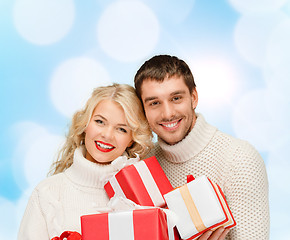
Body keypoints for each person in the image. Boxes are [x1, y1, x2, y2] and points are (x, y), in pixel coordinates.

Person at [134, 55, 269, 240]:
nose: (168, 113)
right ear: (143, 110)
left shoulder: (239, 159)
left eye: (176, 98)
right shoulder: (142, 164)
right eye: (155, 103)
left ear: (194, 98)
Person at [18, 83, 153, 240]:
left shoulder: (141, 197)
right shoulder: (47, 193)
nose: (107, 135)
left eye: (122, 129)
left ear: (131, 140)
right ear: (85, 125)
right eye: (100, 122)